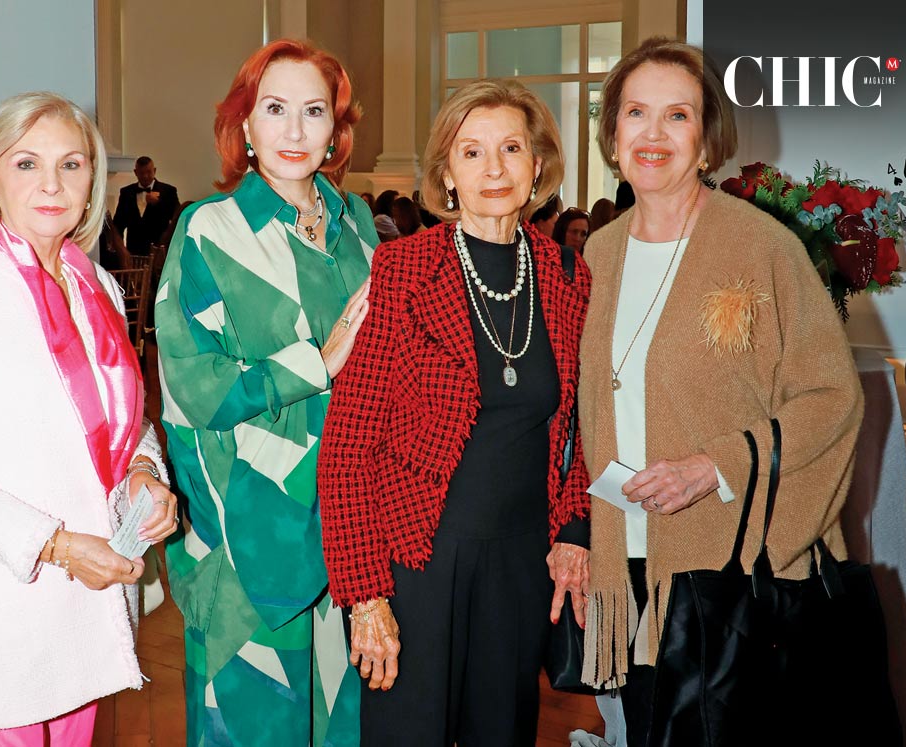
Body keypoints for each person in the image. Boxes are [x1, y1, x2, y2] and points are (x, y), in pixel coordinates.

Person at [576, 38, 862, 745]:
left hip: (725, 572)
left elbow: (831, 397)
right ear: (612, 135)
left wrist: (716, 466)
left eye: (677, 115)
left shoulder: (763, 247)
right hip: (629, 558)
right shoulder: (599, 252)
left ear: (707, 141)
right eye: (635, 112)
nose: (652, 133)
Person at [0, 92, 179, 743]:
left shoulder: (98, 287)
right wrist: (58, 546)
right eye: (26, 163)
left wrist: (143, 472)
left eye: (71, 164)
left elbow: (124, 419)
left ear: (91, 182)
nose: (52, 183)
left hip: (84, 604)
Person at [318, 78, 593, 747]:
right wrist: (366, 596)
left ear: (537, 165)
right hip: (416, 562)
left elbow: (584, 424)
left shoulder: (567, 276)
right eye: (472, 152)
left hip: (523, 563)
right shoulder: (403, 269)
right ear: (447, 173)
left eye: (510, 149)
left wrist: (574, 529)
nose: (493, 168)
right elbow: (347, 447)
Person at [154, 39, 375, 747]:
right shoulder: (209, 229)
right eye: (275, 109)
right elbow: (194, 388)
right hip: (247, 535)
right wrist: (317, 363)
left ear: (336, 129)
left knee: (341, 726)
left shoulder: (358, 227)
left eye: (314, 111)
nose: (295, 130)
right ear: (245, 124)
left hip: (348, 533)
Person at [112, 155, 180, 255]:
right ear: (135, 172)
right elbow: (118, 223)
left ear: (154, 171)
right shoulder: (126, 192)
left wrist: (159, 203)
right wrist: (120, 250)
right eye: (141, 173)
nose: (145, 176)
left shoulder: (168, 191)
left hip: (159, 251)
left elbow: (176, 219)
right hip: (134, 251)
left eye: (148, 172)